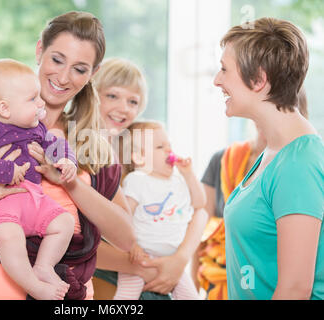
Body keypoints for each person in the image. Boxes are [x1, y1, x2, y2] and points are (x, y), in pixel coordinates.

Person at [0, 11, 135, 300]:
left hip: (71, 292)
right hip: (2, 286)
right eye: (57, 59)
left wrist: (70, 182)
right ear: (39, 51)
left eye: (79, 69)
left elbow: (126, 239)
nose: (63, 76)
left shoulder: (91, 144)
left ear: (93, 73)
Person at [214, 17, 323, 300]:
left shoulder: (298, 164)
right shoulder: (275, 152)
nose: (217, 80)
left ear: (259, 80)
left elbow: (295, 290)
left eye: (225, 70)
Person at [0, 58, 80, 300]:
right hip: (1, 205)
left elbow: (57, 145)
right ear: (5, 108)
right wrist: (6, 171)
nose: (41, 103)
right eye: (33, 99)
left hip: (34, 199)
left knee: (64, 223)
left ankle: (44, 266)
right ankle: (35, 288)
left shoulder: (38, 129)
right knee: (9, 239)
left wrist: (67, 160)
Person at [90, 58, 209, 300]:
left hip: (158, 269)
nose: (123, 108)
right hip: (109, 274)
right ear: (92, 95)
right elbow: (79, 245)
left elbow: (200, 211)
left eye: (132, 101)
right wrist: (145, 265)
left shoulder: (145, 148)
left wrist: (180, 260)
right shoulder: (82, 156)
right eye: (112, 96)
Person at [195, 87, 310, 300]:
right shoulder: (223, 159)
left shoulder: (296, 168)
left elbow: (296, 281)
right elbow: (200, 222)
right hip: (217, 278)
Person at [113, 121, 204, 300]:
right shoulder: (137, 180)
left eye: (170, 145)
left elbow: (200, 202)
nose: (169, 151)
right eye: (160, 147)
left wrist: (188, 174)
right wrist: (132, 246)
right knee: (126, 297)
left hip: (173, 259)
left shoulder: (178, 181)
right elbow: (123, 218)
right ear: (139, 158)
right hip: (142, 256)